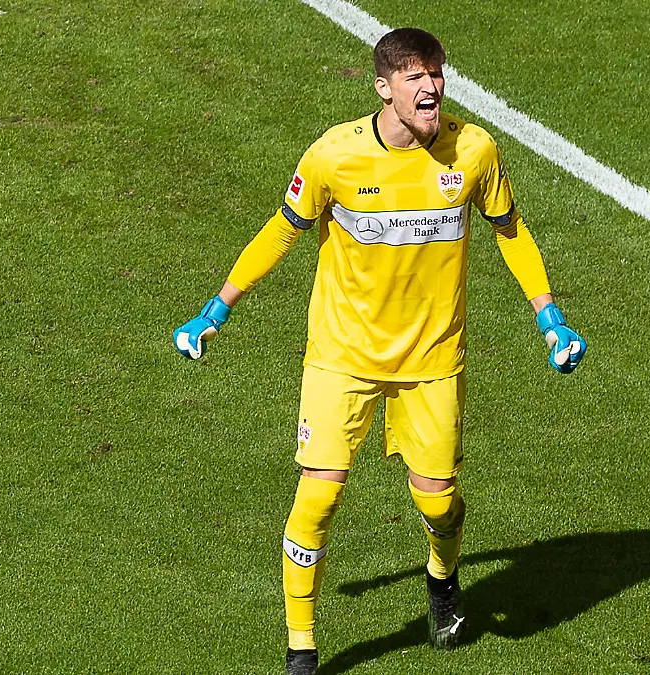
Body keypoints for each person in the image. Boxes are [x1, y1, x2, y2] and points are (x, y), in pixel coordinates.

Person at [172, 27, 585, 675]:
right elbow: (280, 233)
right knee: (319, 495)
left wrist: (550, 317)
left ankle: (442, 579)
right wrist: (216, 307)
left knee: (439, 501)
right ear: (383, 87)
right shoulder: (334, 157)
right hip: (343, 358)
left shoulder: (472, 152)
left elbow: (510, 231)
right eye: (415, 78)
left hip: (432, 361)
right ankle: (301, 649)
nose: (431, 88)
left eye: (437, 75)